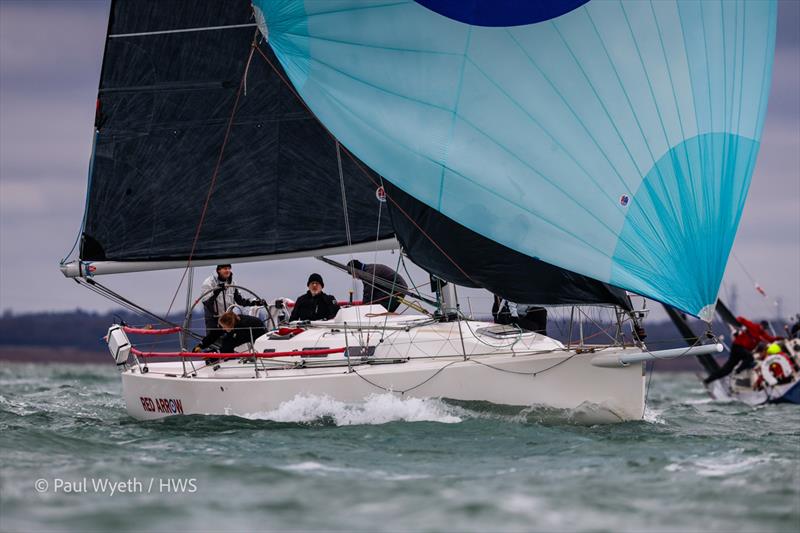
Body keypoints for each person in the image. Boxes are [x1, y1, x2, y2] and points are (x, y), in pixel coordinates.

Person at [704, 315, 779, 385]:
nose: (763, 328)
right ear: (760, 325)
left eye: (765, 328)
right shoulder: (752, 326)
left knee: (727, 370)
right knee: (750, 357)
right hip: (737, 347)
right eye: (763, 327)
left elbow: (770, 339)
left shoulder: (762, 334)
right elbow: (741, 319)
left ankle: (707, 381)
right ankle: (737, 371)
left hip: (742, 351)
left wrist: (782, 338)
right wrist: (738, 322)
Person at [199, 264, 265, 334]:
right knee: (213, 341)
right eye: (225, 268)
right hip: (213, 320)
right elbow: (206, 302)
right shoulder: (208, 282)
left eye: (229, 268)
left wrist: (255, 302)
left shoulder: (232, 282)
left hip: (229, 319)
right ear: (218, 270)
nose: (228, 270)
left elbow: (240, 300)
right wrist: (216, 291)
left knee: (230, 340)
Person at [193, 311, 267, 355]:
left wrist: (213, 353)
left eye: (224, 327)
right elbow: (214, 334)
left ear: (230, 326)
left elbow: (229, 345)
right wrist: (201, 345)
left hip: (259, 337)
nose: (223, 329)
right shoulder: (228, 323)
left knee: (227, 343)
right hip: (243, 333)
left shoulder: (241, 328)